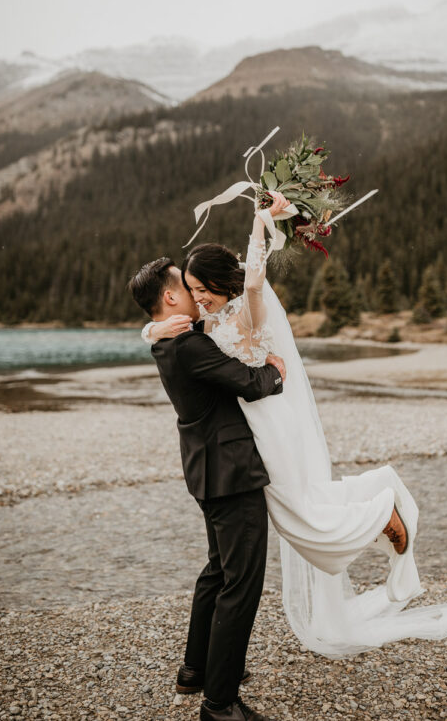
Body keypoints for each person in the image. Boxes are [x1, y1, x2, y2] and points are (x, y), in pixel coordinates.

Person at [143, 193, 447, 660]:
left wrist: (260, 223)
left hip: (269, 420)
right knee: (301, 507)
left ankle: (381, 513)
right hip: (251, 428)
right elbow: (178, 341)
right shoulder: (205, 324)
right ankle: (379, 495)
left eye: (200, 287)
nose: (198, 296)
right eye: (190, 288)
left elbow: (252, 280)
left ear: (215, 282)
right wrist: (149, 330)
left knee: (297, 513)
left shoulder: (246, 307)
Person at [128, 254, 286, 721]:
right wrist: (277, 370)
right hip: (231, 473)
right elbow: (249, 383)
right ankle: (219, 703)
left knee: (217, 574)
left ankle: (195, 671)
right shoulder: (190, 346)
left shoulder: (169, 340)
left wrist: (147, 330)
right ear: (171, 297)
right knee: (241, 584)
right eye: (188, 288)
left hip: (206, 469)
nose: (199, 296)